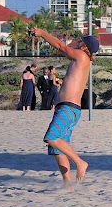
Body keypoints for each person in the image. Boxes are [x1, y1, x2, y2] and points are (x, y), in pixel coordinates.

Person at [30, 28, 99, 191]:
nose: (78, 41)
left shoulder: (82, 56)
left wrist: (43, 33)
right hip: (67, 108)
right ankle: (68, 186)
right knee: (58, 149)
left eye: (81, 41)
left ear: (85, 47)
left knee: (51, 137)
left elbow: (61, 47)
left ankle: (80, 162)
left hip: (68, 109)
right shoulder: (81, 60)